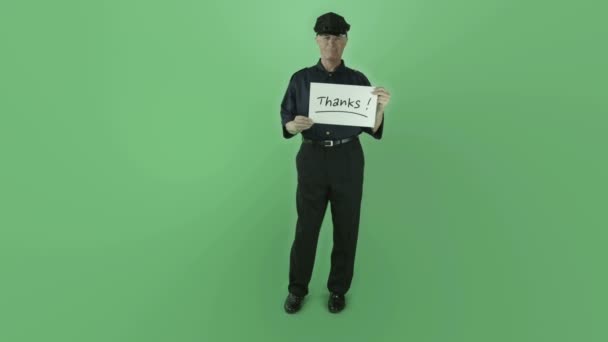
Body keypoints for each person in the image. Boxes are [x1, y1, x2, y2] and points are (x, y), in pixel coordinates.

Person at [280, 12, 392, 314]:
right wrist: (294, 126)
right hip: (312, 157)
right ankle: (297, 289)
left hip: (348, 159)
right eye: (326, 37)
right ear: (317, 40)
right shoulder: (300, 79)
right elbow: (286, 121)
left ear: (346, 41)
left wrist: (380, 108)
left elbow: (372, 125)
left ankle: (338, 290)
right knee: (307, 227)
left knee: (346, 226)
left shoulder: (358, 82)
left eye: (338, 37)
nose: (332, 43)